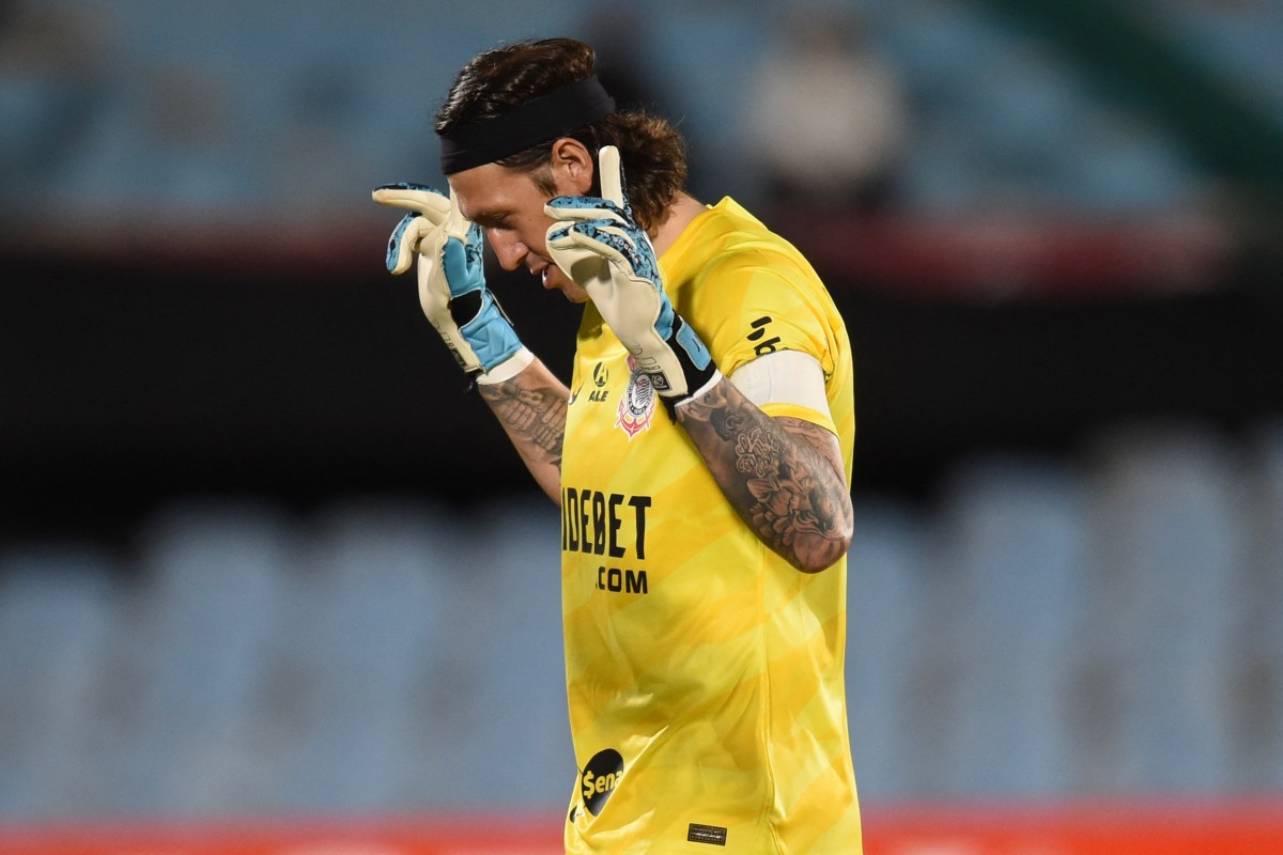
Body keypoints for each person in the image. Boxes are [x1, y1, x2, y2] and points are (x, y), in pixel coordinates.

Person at [373, 38, 860, 854]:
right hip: (625, 816)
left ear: (570, 165)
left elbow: (818, 522)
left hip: (739, 824)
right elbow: (609, 489)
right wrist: (488, 346)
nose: (499, 253)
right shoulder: (612, 299)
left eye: (499, 220)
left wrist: (678, 356)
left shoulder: (746, 285)